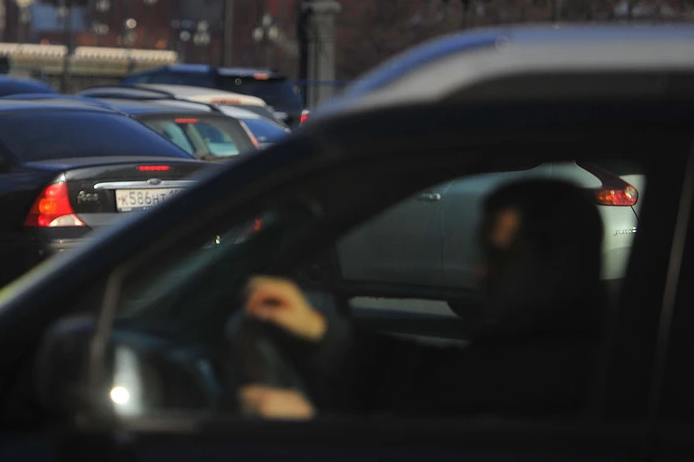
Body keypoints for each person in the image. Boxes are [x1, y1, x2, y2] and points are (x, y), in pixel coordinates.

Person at [239, 178, 607, 420]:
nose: (481, 272)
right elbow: (433, 379)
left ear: (559, 263)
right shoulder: (555, 353)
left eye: (500, 256)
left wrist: (310, 424)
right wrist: (320, 331)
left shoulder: (551, 376)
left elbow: (437, 399)